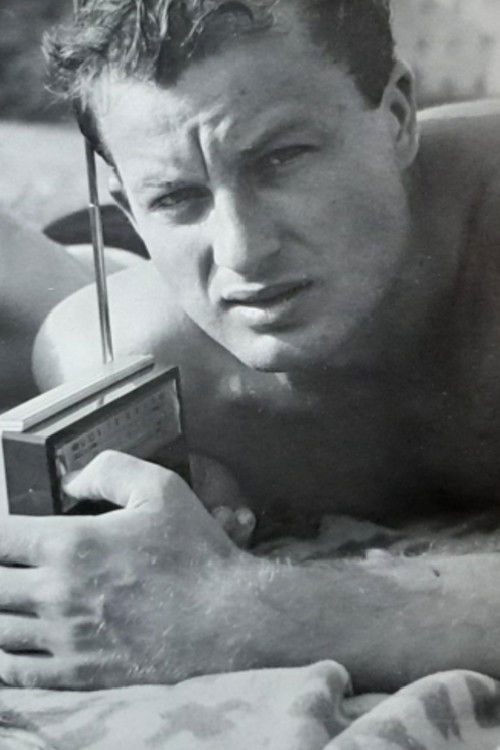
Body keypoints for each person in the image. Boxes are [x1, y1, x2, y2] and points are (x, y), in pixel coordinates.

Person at [3, 0, 500, 693]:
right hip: (111, 280)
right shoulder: (121, 349)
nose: (244, 251)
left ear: (397, 117)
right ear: (131, 209)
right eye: (174, 198)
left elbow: (208, 608)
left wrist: (227, 609)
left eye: (281, 159)